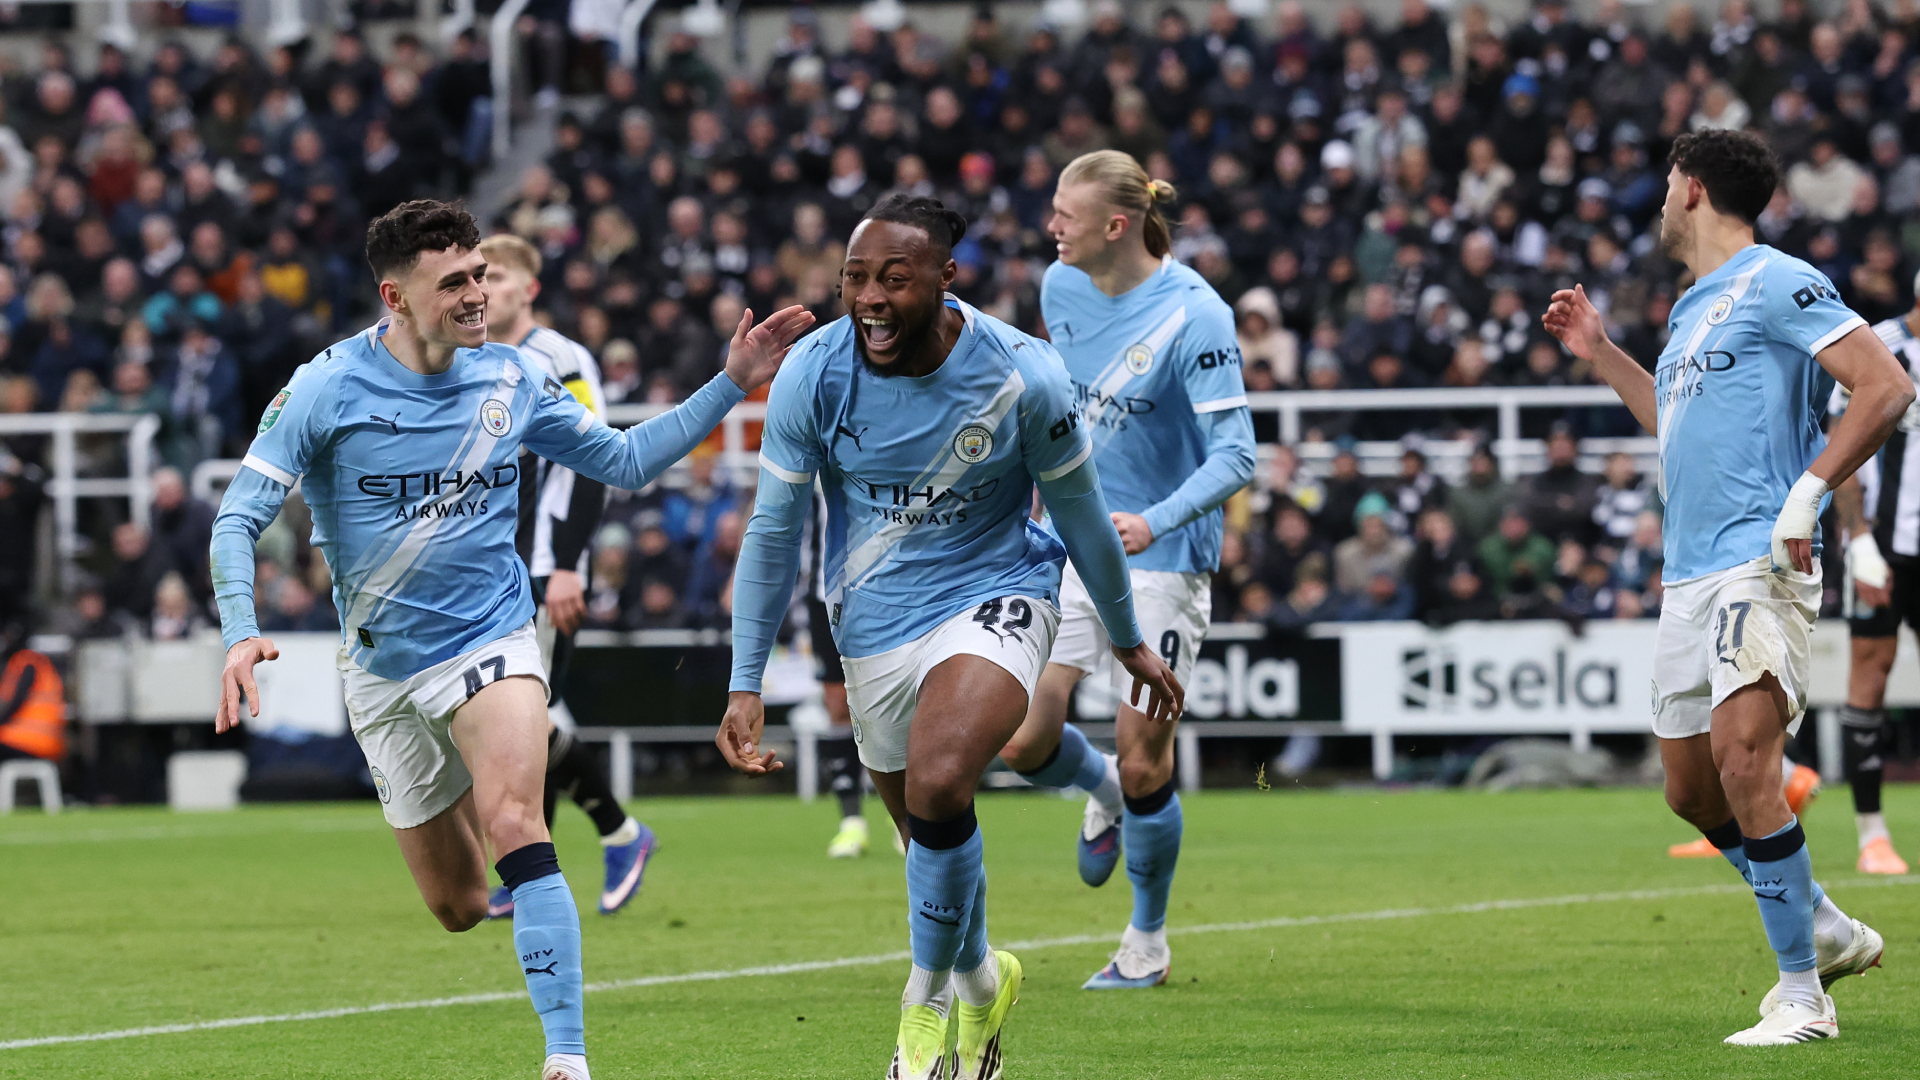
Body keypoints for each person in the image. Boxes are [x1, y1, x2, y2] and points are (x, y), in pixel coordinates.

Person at [210, 200, 814, 1080]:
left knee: (515, 823)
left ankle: (565, 1059)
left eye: (480, 275)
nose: (476, 295)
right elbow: (237, 518)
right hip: (380, 667)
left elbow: (627, 461)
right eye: (452, 281)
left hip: (491, 637)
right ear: (396, 297)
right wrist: (240, 632)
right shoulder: (324, 387)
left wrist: (734, 383)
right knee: (457, 905)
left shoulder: (515, 377)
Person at [714, 194, 1182, 1080]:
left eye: (895, 278)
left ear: (945, 279)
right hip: (873, 622)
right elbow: (773, 534)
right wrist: (745, 680)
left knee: (938, 782)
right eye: (856, 277)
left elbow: (1081, 520)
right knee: (925, 832)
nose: (872, 298)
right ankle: (978, 981)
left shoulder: (1025, 376)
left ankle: (920, 1008)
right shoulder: (814, 373)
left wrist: (1124, 638)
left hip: (998, 591)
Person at [1543, 129, 1904, 1046]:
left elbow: (1884, 385)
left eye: (1668, 185)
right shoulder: (1691, 308)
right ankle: (1822, 923)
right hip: (1689, 572)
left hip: (1759, 559)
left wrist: (1808, 495)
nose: (1661, 202)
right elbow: (1672, 424)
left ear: (1693, 190)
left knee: (1747, 761)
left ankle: (1801, 995)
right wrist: (1602, 351)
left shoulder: (1779, 279)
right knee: (1692, 793)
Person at [998, 152, 1254, 994]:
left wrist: (1156, 519)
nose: (1050, 227)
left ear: (1116, 225)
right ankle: (1099, 790)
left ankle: (1147, 942)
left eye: (1064, 214)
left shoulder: (1197, 317)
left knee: (1149, 760)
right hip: (1068, 544)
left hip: (1165, 558)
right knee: (1023, 738)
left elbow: (1239, 454)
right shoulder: (1058, 289)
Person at [478, 233, 658, 920]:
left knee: (524, 718)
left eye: (495, 275)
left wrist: (562, 566)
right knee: (517, 720)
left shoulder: (558, 358)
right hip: (494, 567)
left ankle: (619, 833)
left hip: (540, 567)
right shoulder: (479, 360)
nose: (483, 288)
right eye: (474, 277)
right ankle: (532, 870)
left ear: (530, 287)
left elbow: (591, 459)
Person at [1816, 277, 1920, 875]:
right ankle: (1872, 835)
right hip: (1885, 547)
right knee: (1870, 676)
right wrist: (1857, 542)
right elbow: (1843, 446)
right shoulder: (1880, 348)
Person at [0, 621, 64, 767]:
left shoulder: (28, 661)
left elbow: (17, 701)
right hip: (41, 741)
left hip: (31, 741)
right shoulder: (36, 661)